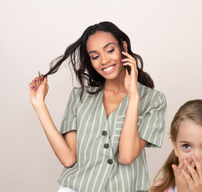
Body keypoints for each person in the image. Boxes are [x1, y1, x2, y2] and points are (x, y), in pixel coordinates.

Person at [29, 21, 167, 192]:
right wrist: (39, 105)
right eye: (95, 56)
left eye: (110, 50)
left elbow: (126, 156)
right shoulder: (79, 96)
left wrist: (133, 95)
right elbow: (68, 159)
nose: (104, 60)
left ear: (123, 47)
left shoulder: (154, 100)